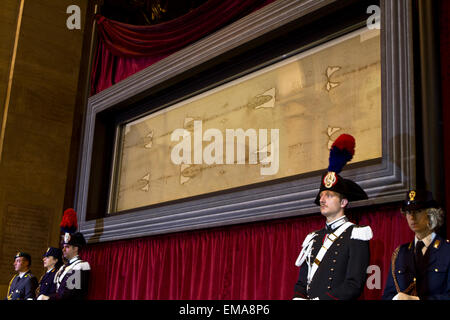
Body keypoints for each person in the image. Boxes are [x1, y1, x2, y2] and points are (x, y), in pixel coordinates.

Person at [293, 134, 372, 300]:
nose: (322, 199)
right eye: (322, 195)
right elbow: (302, 282)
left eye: (329, 195)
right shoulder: (314, 238)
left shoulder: (356, 234)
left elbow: (354, 284)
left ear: (343, 202)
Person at [382, 189, 450, 300]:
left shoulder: (446, 251)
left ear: (431, 214)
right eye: (408, 212)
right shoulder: (400, 253)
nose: (412, 217)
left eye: (418, 211)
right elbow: (387, 295)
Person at [38, 208, 91, 300]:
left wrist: (48, 298)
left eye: (67, 247)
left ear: (75, 248)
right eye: (63, 247)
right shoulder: (63, 267)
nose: (63, 250)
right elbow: (57, 291)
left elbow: (70, 294)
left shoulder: (81, 266)